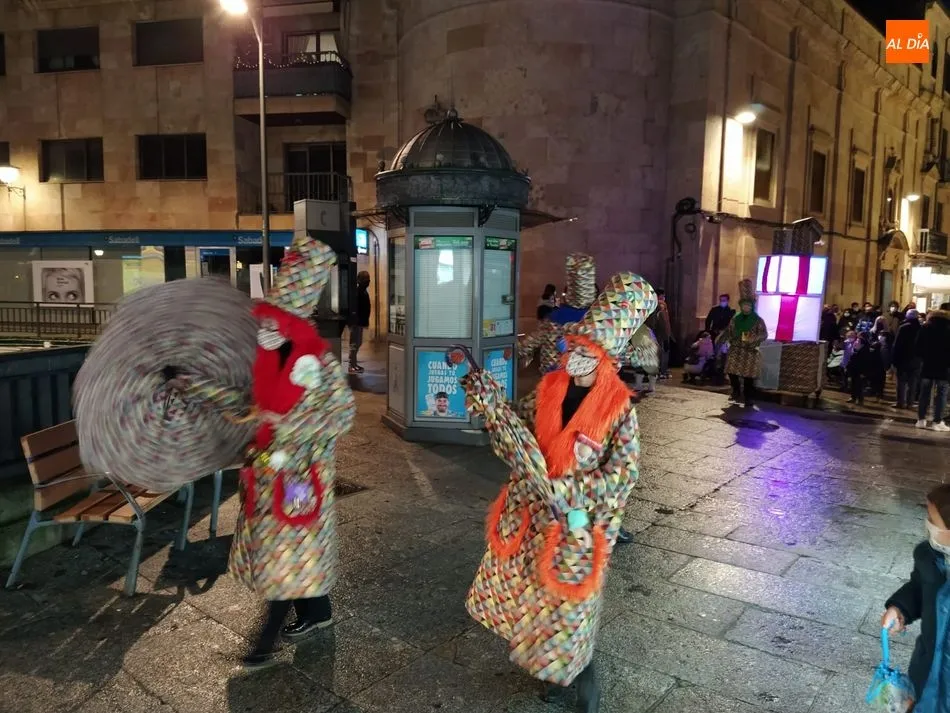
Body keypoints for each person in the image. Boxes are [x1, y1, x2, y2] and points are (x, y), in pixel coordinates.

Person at [461, 272, 657, 713]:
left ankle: (585, 685)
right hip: (535, 519)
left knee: (571, 607)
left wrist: (573, 493)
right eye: (574, 348)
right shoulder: (549, 390)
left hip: (577, 528)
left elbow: (624, 476)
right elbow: (518, 428)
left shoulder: (618, 411)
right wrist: (487, 400)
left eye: (585, 352)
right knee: (537, 598)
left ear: (604, 360)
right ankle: (550, 670)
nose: (574, 356)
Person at [180, 236, 356, 670]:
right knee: (296, 552)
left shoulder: (319, 365)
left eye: (276, 323)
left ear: (294, 326)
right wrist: (190, 385)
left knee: (286, 556)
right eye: (265, 321)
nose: (267, 329)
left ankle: (263, 644)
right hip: (263, 477)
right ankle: (318, 613)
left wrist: (287, 424)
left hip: (298, 480)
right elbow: (243, 403)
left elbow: (340, 416)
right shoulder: (264, 361)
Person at [881, 483, 950, 712]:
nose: (928, 526)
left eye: (934, 520)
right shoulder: (929, 556)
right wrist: (900, 608)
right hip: (927, 669)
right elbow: (920, 586)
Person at [520, 254, 597, 375]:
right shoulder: (598, 321)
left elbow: (534, 340)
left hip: (554, 376)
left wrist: (517, 349)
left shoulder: (554, 318)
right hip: (585, 379)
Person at [721, 279, 768, 408]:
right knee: (731, 371)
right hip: (736, 350)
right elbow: (729, 331)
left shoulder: (758, 320)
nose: (746, 307)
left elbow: (764, 334)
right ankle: (736, 390)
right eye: (744, 305)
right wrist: (727, 339)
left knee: (748, 377)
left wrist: (753, 338)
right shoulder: (735, 319)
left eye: (748, 305)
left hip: (750, 352)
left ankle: (748, 397)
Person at [915, 302, 950, 432]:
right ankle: (937, 421)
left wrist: (924, 358)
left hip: (927, 365)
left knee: (924, 393)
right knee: (941, 395)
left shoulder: (926, 327)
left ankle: (921, 420)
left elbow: (917, 347)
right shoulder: (948, 328)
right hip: (944, 367)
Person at [892, 308, 922, 410]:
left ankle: (900, 402)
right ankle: (910, 403)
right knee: (913, 383)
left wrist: (894, 359)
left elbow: (897, 345)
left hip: (903, 359)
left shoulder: (903, 327)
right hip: (916, 360)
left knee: (901, 382)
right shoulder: (921, 328)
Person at [646, 289, 672, 379]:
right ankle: (660, 371)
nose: (663, 298)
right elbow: (662, 321)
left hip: (660, 332)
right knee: (661, 352)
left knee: (660, 352)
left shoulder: (654, 304)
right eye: (662, 296)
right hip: (660, 333)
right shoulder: (659, 305)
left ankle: (659, 371)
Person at [349, 270, 371, 374]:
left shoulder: (362, 291)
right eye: (366, 279)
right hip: (356, 323)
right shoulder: (358, 292)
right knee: (355, 343)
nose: (368, 281)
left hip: (360, 322)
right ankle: (352, 365)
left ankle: (354, 363)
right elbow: (356, 309)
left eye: (368, 279)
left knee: (358, 343)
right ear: (360, 280)